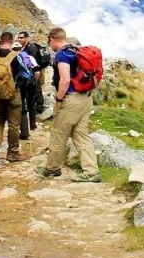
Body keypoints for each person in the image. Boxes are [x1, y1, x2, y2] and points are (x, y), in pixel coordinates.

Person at [35, 27, 101, 183]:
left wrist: (58, 100)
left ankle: (52, 168)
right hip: (85, 98)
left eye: (49, 42)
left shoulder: (63, 54)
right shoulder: (75, 50)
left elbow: (65, 80)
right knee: (81, 135)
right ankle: (91, 171)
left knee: (59, 133)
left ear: (52, 39)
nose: (49, 45)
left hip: (71, 99)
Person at [0, 32, 31, 162]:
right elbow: (27, 74)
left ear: (1, 41)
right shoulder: (16, 56)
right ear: (12, 41)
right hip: (13, 94)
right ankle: (12, 153)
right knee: (14, 124)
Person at [18, 31, 49, 116]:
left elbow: (35, 62)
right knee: (30, 89)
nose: (19, 39)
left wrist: (37, 73)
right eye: (19, 37)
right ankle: (31, 106)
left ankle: (39, 108)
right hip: (27, 73)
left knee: (37, 88)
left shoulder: (31, 48)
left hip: (36, 72)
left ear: (26, 38)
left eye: (22, 37)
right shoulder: (23, 48)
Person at [13, 40, 39, 140]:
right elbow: (37, 72)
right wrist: (34, 82)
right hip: (29, 83)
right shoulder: (29, 57)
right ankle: (33, 125)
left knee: (21, 107)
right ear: (21, 48)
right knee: (31, 103)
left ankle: (24, 132)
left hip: (18, 85)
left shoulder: (12, 58)